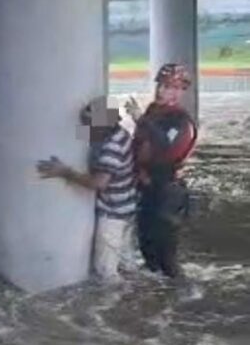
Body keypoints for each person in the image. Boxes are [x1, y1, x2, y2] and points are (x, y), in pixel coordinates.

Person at [37, 97, 137, 281]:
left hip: (113, 215)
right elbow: (85, 135)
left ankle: (117, 303)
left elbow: (99, 183)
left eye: (89, 124)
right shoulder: (120, 133)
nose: (85, 129)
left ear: (102, 126)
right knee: (127, 264)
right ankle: (137, 295)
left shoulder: (111, 147)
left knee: (106, 273)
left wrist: (65, 172)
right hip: (127, 209)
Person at [131, 63, 197, 279]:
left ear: (181, 91)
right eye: (164, 85)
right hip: (148, 188)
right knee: (147, 247)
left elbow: (166, 147)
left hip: (168, 191)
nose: (166, 91)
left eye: (174, 87)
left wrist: (141, 119)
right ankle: (158, 300)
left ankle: (179, 297)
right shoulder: (154, 112)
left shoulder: (180, 120)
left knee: (166, 256)